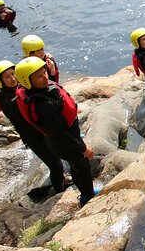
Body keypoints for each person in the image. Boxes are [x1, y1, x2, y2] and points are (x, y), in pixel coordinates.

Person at [14, 57, 97, 207]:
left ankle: (85, 192)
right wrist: (83, 148)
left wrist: (52, 71)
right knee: (82, 167)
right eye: (39, 76)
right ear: (27, 82)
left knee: (77, 166)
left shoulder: (38, 90)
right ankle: (87, 197)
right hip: (63, 143)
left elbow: (51, 85)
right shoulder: (44, 106)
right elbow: (61, 135)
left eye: (43, 71)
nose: (45, 77)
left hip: (62, 139)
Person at [0, 60, 67, 192]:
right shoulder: (7, 101)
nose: (13, 78)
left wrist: (51, 73)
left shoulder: (20, 89)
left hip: (41, 132)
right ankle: (59, 190)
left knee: (58, 158)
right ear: (0, 81)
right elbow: (37, 103)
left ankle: (62, 180)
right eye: (7, 77)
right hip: (34, 137)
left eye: (13, 74)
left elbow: (45, 91)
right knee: (56, 165)